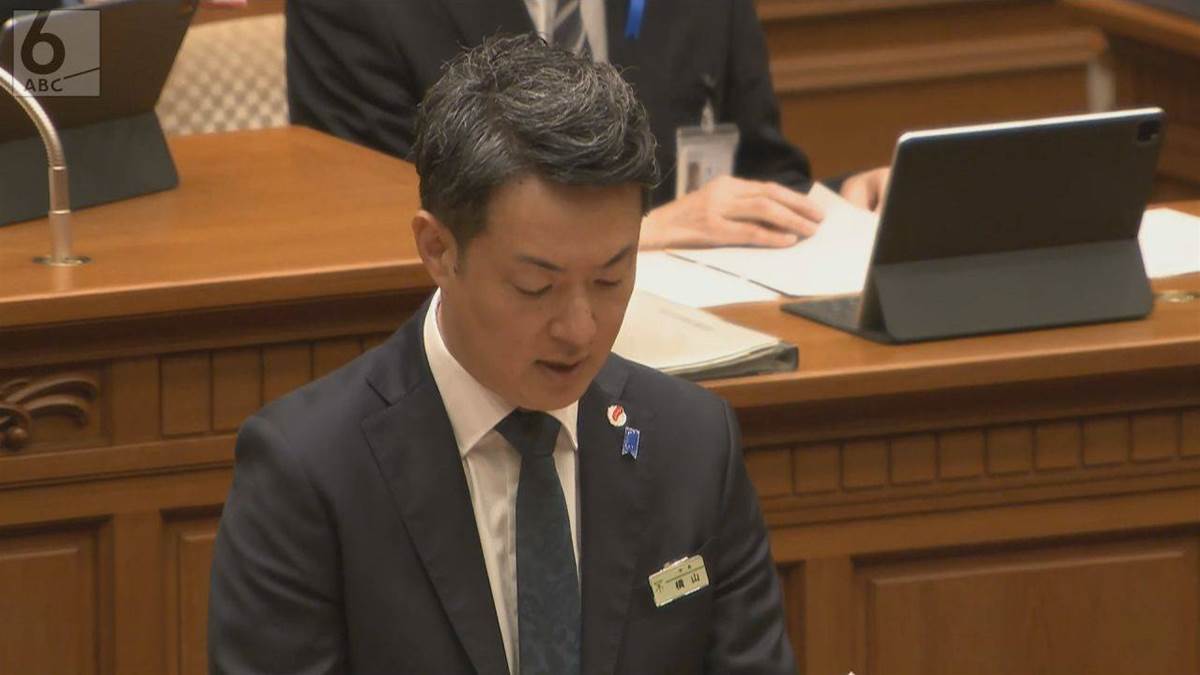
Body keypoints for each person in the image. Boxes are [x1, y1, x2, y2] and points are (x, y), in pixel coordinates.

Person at [208, 35, 796, 675]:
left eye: (610, 279)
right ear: (438, 250)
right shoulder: (308, 476)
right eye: (536, 287)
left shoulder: (693, 444)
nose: (579, 329)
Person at [285, 0, 889, 250]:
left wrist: (838, 204)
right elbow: (373, 245)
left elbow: (759, 173)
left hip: (708, 359)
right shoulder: (355, 7)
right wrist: (638, 238)